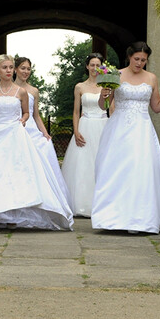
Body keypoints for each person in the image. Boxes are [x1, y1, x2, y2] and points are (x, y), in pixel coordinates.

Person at [0, 54, 73, 232]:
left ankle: (12, 215)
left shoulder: (21, 92)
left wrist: (23, 119)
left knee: (12, 175)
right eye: (4, 67)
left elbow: (27, 113)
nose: (8, 71)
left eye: (10, 67)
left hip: (14, 135)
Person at [91, 42, 160, 234]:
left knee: (141, 170)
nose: (139, 63)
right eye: (137, 59)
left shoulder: (151, 78)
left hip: (142, 130)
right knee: (117, 169)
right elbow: (103, 106)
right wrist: (103, 95)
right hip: (119, 129)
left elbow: (156, 107)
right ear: (129, 57)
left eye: (143, 60)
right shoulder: (115, 74)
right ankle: (112, 217)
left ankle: (140, 217)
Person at [13, 56, 71, 205]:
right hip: (15, 127)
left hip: (31, 128)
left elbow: (36, 115)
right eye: (23, 68)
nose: (26, 71)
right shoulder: (9, 89)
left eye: (28, 69)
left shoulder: (34, 91)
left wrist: (45, 133)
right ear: (15, 69)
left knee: (41, 155)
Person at [61, 53, 108, 217]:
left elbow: (109, 108)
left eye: (98, 65)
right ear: (87, 66)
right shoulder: (79, 87)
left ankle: (103, 203)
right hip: (85, 126)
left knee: (102, 163)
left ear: (102, 68)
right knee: (83, 164)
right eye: (92, 65)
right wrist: (76, 131)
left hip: (103, 125)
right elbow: (76, 112)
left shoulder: (107, 85)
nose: (95, 68)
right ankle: (82, 203)